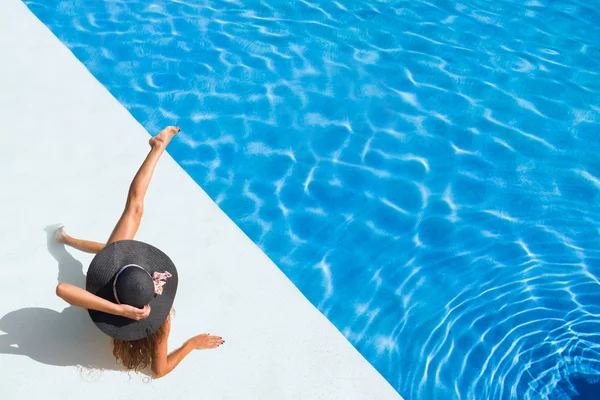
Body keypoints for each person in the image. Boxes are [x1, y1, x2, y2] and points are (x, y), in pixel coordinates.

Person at [53, 126, 224, 378]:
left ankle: (68, 239)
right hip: (111, 300)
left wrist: (118, 310)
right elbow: (159, 370)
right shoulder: (159, 321)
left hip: (105, 295)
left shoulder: (96, 302)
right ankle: (69, 239)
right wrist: (191, 344)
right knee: (115, 238)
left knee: (125, 224)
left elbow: (62, 290)